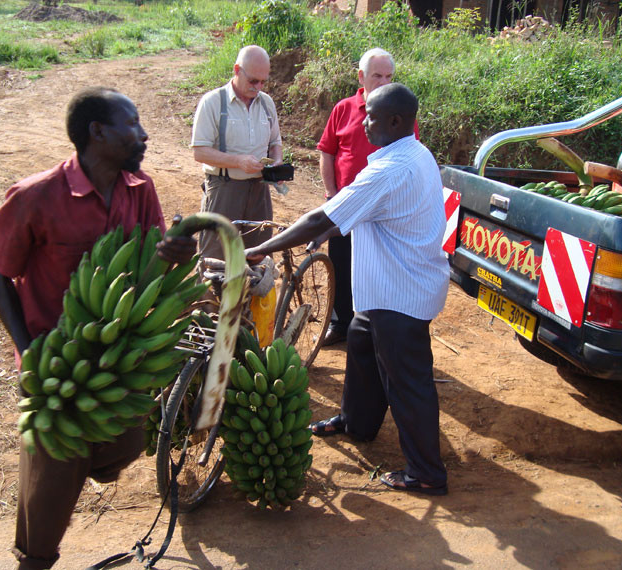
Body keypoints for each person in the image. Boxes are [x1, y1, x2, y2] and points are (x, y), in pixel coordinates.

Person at [0, 87, 196, 570]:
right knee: (50, 489)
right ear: (97, 132)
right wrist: (26, 351)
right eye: (133, 124)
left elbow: (150, 259)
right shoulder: (38, 196)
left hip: (118, 355)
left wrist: (171, 254)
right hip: (56, 363)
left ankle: (93, 466)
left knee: (124, 445)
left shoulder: (140, 190)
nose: (144, 134)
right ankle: (34, 559)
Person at [246, 83, 449, 495]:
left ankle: (426, 473)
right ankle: (356, 423)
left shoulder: (390, 169)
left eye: (371, 116)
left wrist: (261, 248)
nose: (363, 122)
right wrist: (327, 230)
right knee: (359, 345)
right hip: (386, 289)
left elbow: (323, 217)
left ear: (395, 121)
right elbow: (358, 212)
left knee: (408, 384)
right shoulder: (413, 153)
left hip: (401, 295)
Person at [316, 48, 419, 346]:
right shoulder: (343, 109)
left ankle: (375, 329)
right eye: (377, 75)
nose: (384, 81)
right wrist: (332, 196)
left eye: (389, 76)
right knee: (340, 265)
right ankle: (340, 323)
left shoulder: (399, 114)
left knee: (378, 270)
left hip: (383, 213)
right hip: (346, 205)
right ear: (361, 77)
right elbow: (327, 152)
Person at [190, 44, 283, 259]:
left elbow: (275, 141)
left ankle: (251, 294)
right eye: (253, 81)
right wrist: (238, 162)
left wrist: (277, 161)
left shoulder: (267, 103)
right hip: (224, 190)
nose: (258, 86)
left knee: (258, 257)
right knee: (216, 260)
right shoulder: (213, 102)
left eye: (263, 81)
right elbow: (200, 152)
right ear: (236, 70)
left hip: (259, 191)